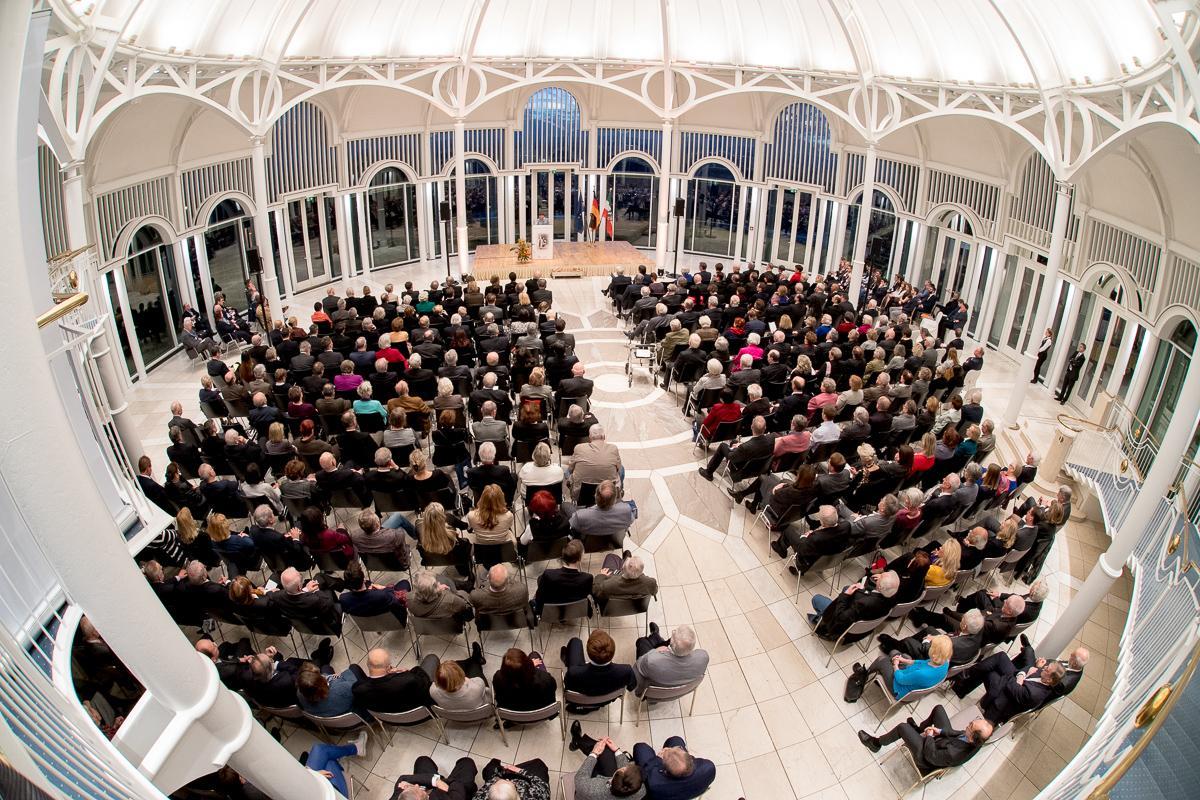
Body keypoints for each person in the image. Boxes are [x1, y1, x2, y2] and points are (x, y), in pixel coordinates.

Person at [856, 705, 992, 772]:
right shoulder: (975, 739)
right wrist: (940, 731)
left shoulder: (954, 752)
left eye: (970, 725)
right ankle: (918, 731)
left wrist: (930, 736)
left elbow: (931, 755)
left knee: (902, 727)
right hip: (943, 744)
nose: (968, 724)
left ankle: (876, 743)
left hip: (927, 757)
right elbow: (958, 734)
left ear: (973, 738)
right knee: (939, 709)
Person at [844, 634, 953, 703]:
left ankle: (864, 674)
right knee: (897, 653)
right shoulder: (945, 662)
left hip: (899, 689)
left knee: (882, 660)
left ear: (933, 653)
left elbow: (900, 679)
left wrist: (896, 665)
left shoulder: (923, 674)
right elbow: (922, 662)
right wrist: (904, 660)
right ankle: (881, 668)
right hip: (912, 678)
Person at [809, 570, 900, 642]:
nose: (879, 575)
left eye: (881, 576)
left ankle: (822, 623)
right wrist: (865, 590)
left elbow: (840, 617)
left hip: (843, 627)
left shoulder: (863, 602)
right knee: (846, 588)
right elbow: (875, 597)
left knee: (816, 599)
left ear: (880, 587)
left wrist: (845, 595)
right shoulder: (893, 597)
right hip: (864, 629)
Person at [567, 730, 646, 799]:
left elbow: (580, 778)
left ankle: (578, 740)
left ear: (613, 779)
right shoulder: (640, 791)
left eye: (625, 767)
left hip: (586, 794)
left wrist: (594, 753)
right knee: (607, 753)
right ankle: (580, 741)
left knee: (601, 756)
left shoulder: (591, 789)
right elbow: (626, 776)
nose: (626, 765)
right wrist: (617, 750)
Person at [351, 647, 433, 714]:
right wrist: (409, 671)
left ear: (367, 664)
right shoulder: (409, 679)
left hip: (388, 718)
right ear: (388, 667)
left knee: (353, 667)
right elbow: (425, 682)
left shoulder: (357, 689)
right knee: (432, 658)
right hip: (415, 713)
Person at [631, 737, 715, 800]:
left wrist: (657, 759)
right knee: (676, 740)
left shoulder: (654, 784)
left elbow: (647, 770)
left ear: (665, 770)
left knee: (641, 748)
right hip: (693, 791)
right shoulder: (709, 768)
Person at [632, 623, 709, 693]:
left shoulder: (652, 661)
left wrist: (655, 651)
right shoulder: (703, 657)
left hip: (654, 692)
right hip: (676, 692)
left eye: (674, 632)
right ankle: (655, 635)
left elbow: (638, 665)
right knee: (665, 642)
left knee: (641, 642)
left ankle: (654, 636)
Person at [533, 538, 592, 613]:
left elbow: (539, 597)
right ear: (579, 559)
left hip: (551, 610)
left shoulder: (549, 574)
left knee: (540, 579)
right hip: (575, 610)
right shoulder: (587, 578)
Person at [491, 647, 557, 712]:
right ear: (528, 664)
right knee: (534, 654)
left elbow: (498, 697)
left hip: (512, 716)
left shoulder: (498, 678)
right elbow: (553, 689)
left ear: (504, 669)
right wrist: (532, 666)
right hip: (542, 713)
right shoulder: (545, 679)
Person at [389, 754, 479, 800]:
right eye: (417, 790)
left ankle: (438, 777)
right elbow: (457, 786)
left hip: (434, 785)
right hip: (453, 790)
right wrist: (445, 784)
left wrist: (436, 781)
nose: (416, 785)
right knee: (467, 764)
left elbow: (403, 779)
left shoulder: (399, 796)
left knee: (422, 760)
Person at [567, 424, 623, 495]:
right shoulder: (613, 448)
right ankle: (620, 493)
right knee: (622, 469)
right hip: (608, 496)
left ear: (590, 437)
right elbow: (619, 468)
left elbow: (570, 469)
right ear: (604, 436)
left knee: (567, 471)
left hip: (581, 495)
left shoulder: (578, 448)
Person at [592, 553, 657, 600]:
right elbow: (654, 591)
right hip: (637, 607)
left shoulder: (608, 584)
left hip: (613, 607)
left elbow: (595, 590)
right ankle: (626, 555)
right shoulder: (651, 583)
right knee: (627, 553)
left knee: (610, 556)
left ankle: (625, 557)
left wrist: (601, 575)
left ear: (622, 568)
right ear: (642, 571)